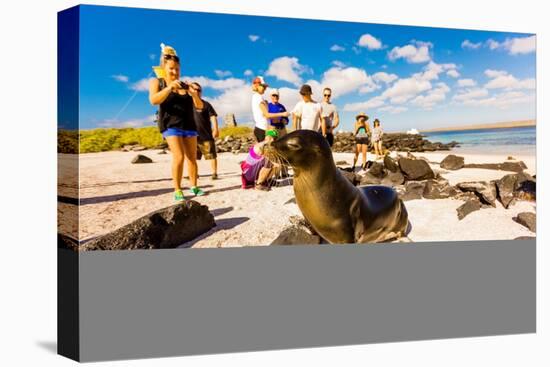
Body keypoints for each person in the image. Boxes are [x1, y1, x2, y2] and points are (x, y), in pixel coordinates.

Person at [149, 44, 205, 202]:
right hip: (170, 126)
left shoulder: (185, 86)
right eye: (171, 68)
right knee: (179, 157)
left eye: (177, 69)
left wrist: (194, 95)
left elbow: (200, 107)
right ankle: (178, 189)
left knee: (192, 158)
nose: (174, 72)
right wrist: (169, 88)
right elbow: (153, 100)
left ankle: (194, 186)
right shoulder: (157, 82)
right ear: (164, 67)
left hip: (189, 126)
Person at [190, 82, 220, 180]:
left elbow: (213, 117)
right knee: (192, 157)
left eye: (199, 90)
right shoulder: (186, 104)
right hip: (192, 136)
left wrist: (215, 129)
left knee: (211, 155)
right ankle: (194, 174)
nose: (196, 91)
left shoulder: (206, 104)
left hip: (206, 134)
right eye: (194, 89)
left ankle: (214, 173)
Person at [251, 76, 289, 142]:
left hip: (265, 129)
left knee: (270, 146)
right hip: (262, 129)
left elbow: (263, 114)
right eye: (263, 86)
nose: (265, 89)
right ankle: (252, 152)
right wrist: (282, 114)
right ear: (258, 86)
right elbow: (267, 115)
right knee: (263, 149)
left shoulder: (257, 97)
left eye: (265, 87)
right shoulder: (258, 98)